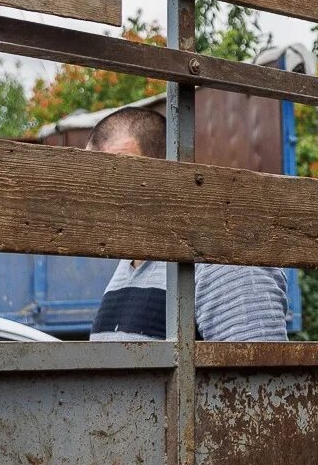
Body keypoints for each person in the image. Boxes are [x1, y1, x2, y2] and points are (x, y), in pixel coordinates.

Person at [84, 107, 291, 342]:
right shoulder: (128, 265)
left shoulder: (225, 259)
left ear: (166, 172)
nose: (101, 193)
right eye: (94, 177)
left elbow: (255, 375)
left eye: (118, 173)